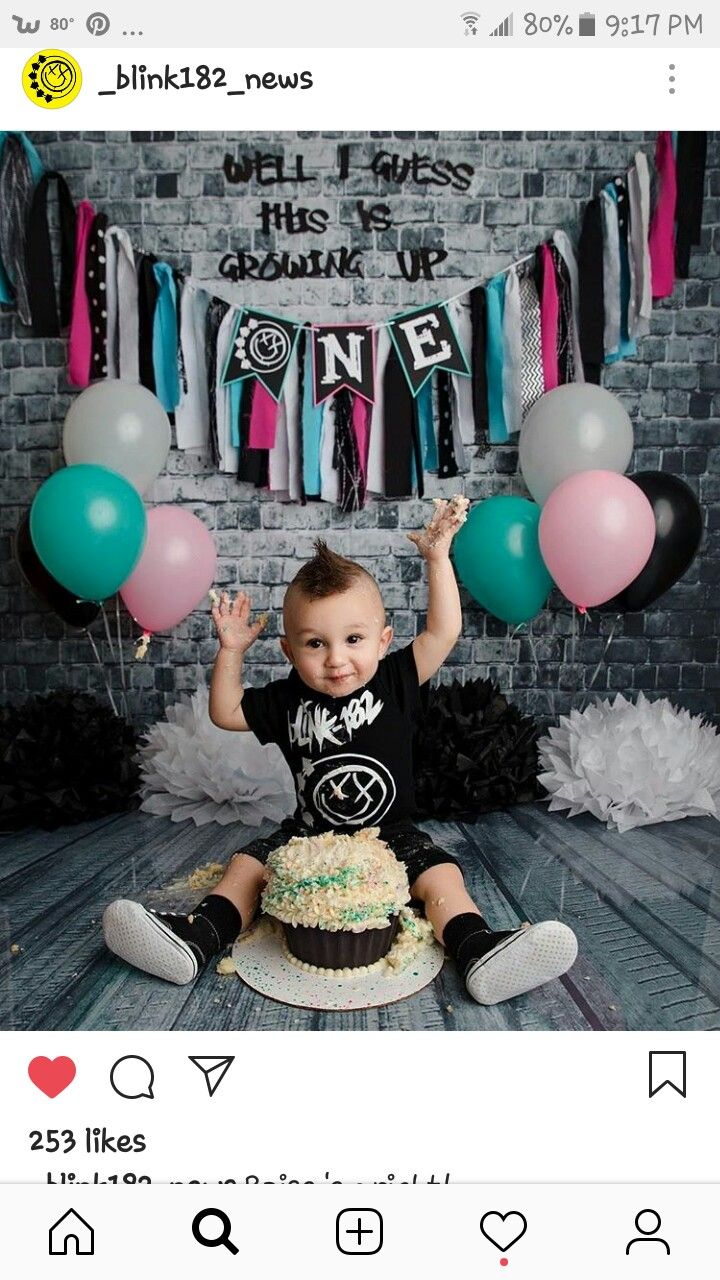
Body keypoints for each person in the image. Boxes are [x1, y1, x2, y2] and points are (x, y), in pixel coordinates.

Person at [103, 498, 577, 1004]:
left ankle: (477, 948)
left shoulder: (396, 680)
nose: (337, 660)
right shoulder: (286, 700)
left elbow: (443, 631)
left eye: (353, 639)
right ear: (288, 650)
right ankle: (197, 939)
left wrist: (438, 559)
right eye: (315, 643)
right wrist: (232, 651)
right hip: (307, 840)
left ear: (382, 641)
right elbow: (226, 712)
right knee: (246, 867)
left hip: (390, 834)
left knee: (442, 876)